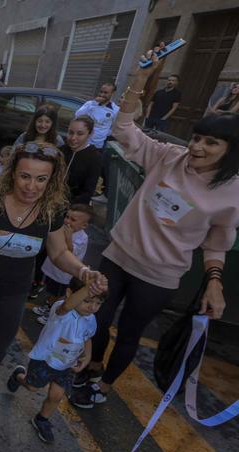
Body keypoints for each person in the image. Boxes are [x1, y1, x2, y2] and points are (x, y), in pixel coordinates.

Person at [70, 51, 239, 409]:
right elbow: (124, 129)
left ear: (230, 151)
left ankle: (104, 384)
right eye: (196, 138)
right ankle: (94, 364)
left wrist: (214, 281)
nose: (197, 147)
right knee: (96, 318)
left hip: (158, 276)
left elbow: (218, 243)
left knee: (129, 334)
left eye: (211, 143)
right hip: (117, 257)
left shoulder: (231, 192)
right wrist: (141, 80)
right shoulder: (168, 156)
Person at [0, 142, 107, 421]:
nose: (32, 186)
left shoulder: (51, 212)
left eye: (41, 179)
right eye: (25, 176)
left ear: (52, 180)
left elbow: (58, 253)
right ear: (13, 174)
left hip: (15, 290)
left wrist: (83, 272)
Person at [7, 279, 103, 443]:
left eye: (98, 303)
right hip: (45, 360)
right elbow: (66, 306)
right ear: (69, 294)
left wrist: (87, 356)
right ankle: (18, 376)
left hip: (66, 365)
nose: (92, 307)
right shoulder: (61, 311)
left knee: (56, 396)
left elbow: (87, 338)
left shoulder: (90, 319)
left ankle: (42, 419)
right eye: (87, 300)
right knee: (31, 386)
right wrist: (88, 286)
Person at [32, 205, 92, 325]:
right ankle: (48, 306)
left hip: (63, 274)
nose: (67, 221)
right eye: (67, 217)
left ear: (84, 225)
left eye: (73, 220)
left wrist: (68, 237)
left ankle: (52, 313)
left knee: (58, 294)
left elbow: (70, 253)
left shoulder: (82, 238)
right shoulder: (61, 228)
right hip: (53, 268)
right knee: (50, 289)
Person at [60, 116, 101, 205]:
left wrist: (69, 205)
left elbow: (87, 192)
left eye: (80, 134)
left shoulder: (94, 157)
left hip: (72, 207)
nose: (73, 138)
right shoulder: (61, 151)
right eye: (70, 133)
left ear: (90, 134)